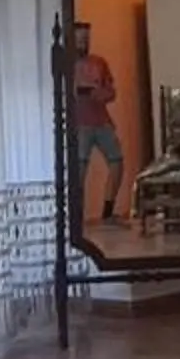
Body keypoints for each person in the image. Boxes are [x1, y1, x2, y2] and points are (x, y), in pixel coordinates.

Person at [70, 22, 125, 225]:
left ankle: (108, 211)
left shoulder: (99, 62)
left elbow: (111, 92)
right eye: (80, 38)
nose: (84, 42)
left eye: (86, 38)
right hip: (80, 124)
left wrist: (99, 93)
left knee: (117, 161)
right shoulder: (67, 65)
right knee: (80, 169)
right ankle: (76, 215)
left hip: (101, 121)